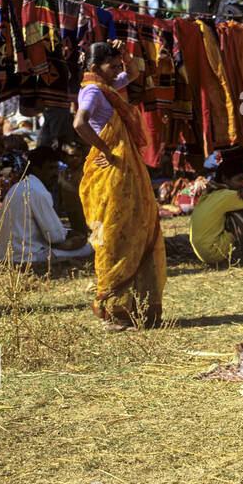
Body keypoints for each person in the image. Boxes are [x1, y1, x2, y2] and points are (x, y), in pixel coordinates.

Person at [73, 41, 166, 330]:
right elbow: (80, 123)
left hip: (126, 171)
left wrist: (125, 55)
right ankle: (115, 311)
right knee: (113, 236)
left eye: (117, 66)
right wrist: (104, 149)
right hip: (111, 172)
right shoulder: (92, 91)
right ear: (93, 67)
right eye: (111, 66)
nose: (117, 71)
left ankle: (139, 309)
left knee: (136, 227)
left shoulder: (108, 86)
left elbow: (135, 74)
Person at [0, 147, 93, 266]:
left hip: (4, 255)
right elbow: (56, 237)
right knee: (90, 247)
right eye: (50, 168)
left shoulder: (20, 186)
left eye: (56, 168)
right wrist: (72, 239)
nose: (55, 174)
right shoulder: (38, 191)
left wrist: (67, 235)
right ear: (36, 169)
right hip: (25, 257)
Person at [189, 149, 243, 266]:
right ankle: (239, 253)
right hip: (215, 252)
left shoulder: (210, 192)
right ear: (225, 179)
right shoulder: (227, 195)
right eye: (240, 180)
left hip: (203, 253)